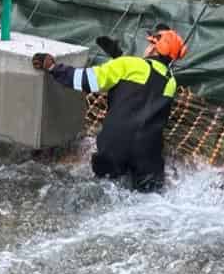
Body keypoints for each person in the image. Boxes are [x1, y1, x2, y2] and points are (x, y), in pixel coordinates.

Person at [32, 25, 186, 192]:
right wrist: (118, 57)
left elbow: (86, 80)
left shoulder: (127, 64)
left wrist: (53, 68)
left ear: (154, 48)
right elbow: (144, 88)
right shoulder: (171, 83)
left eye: (150, 44)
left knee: (102, 189)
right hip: (147, 153)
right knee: (150, 194)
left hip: (114, 146)